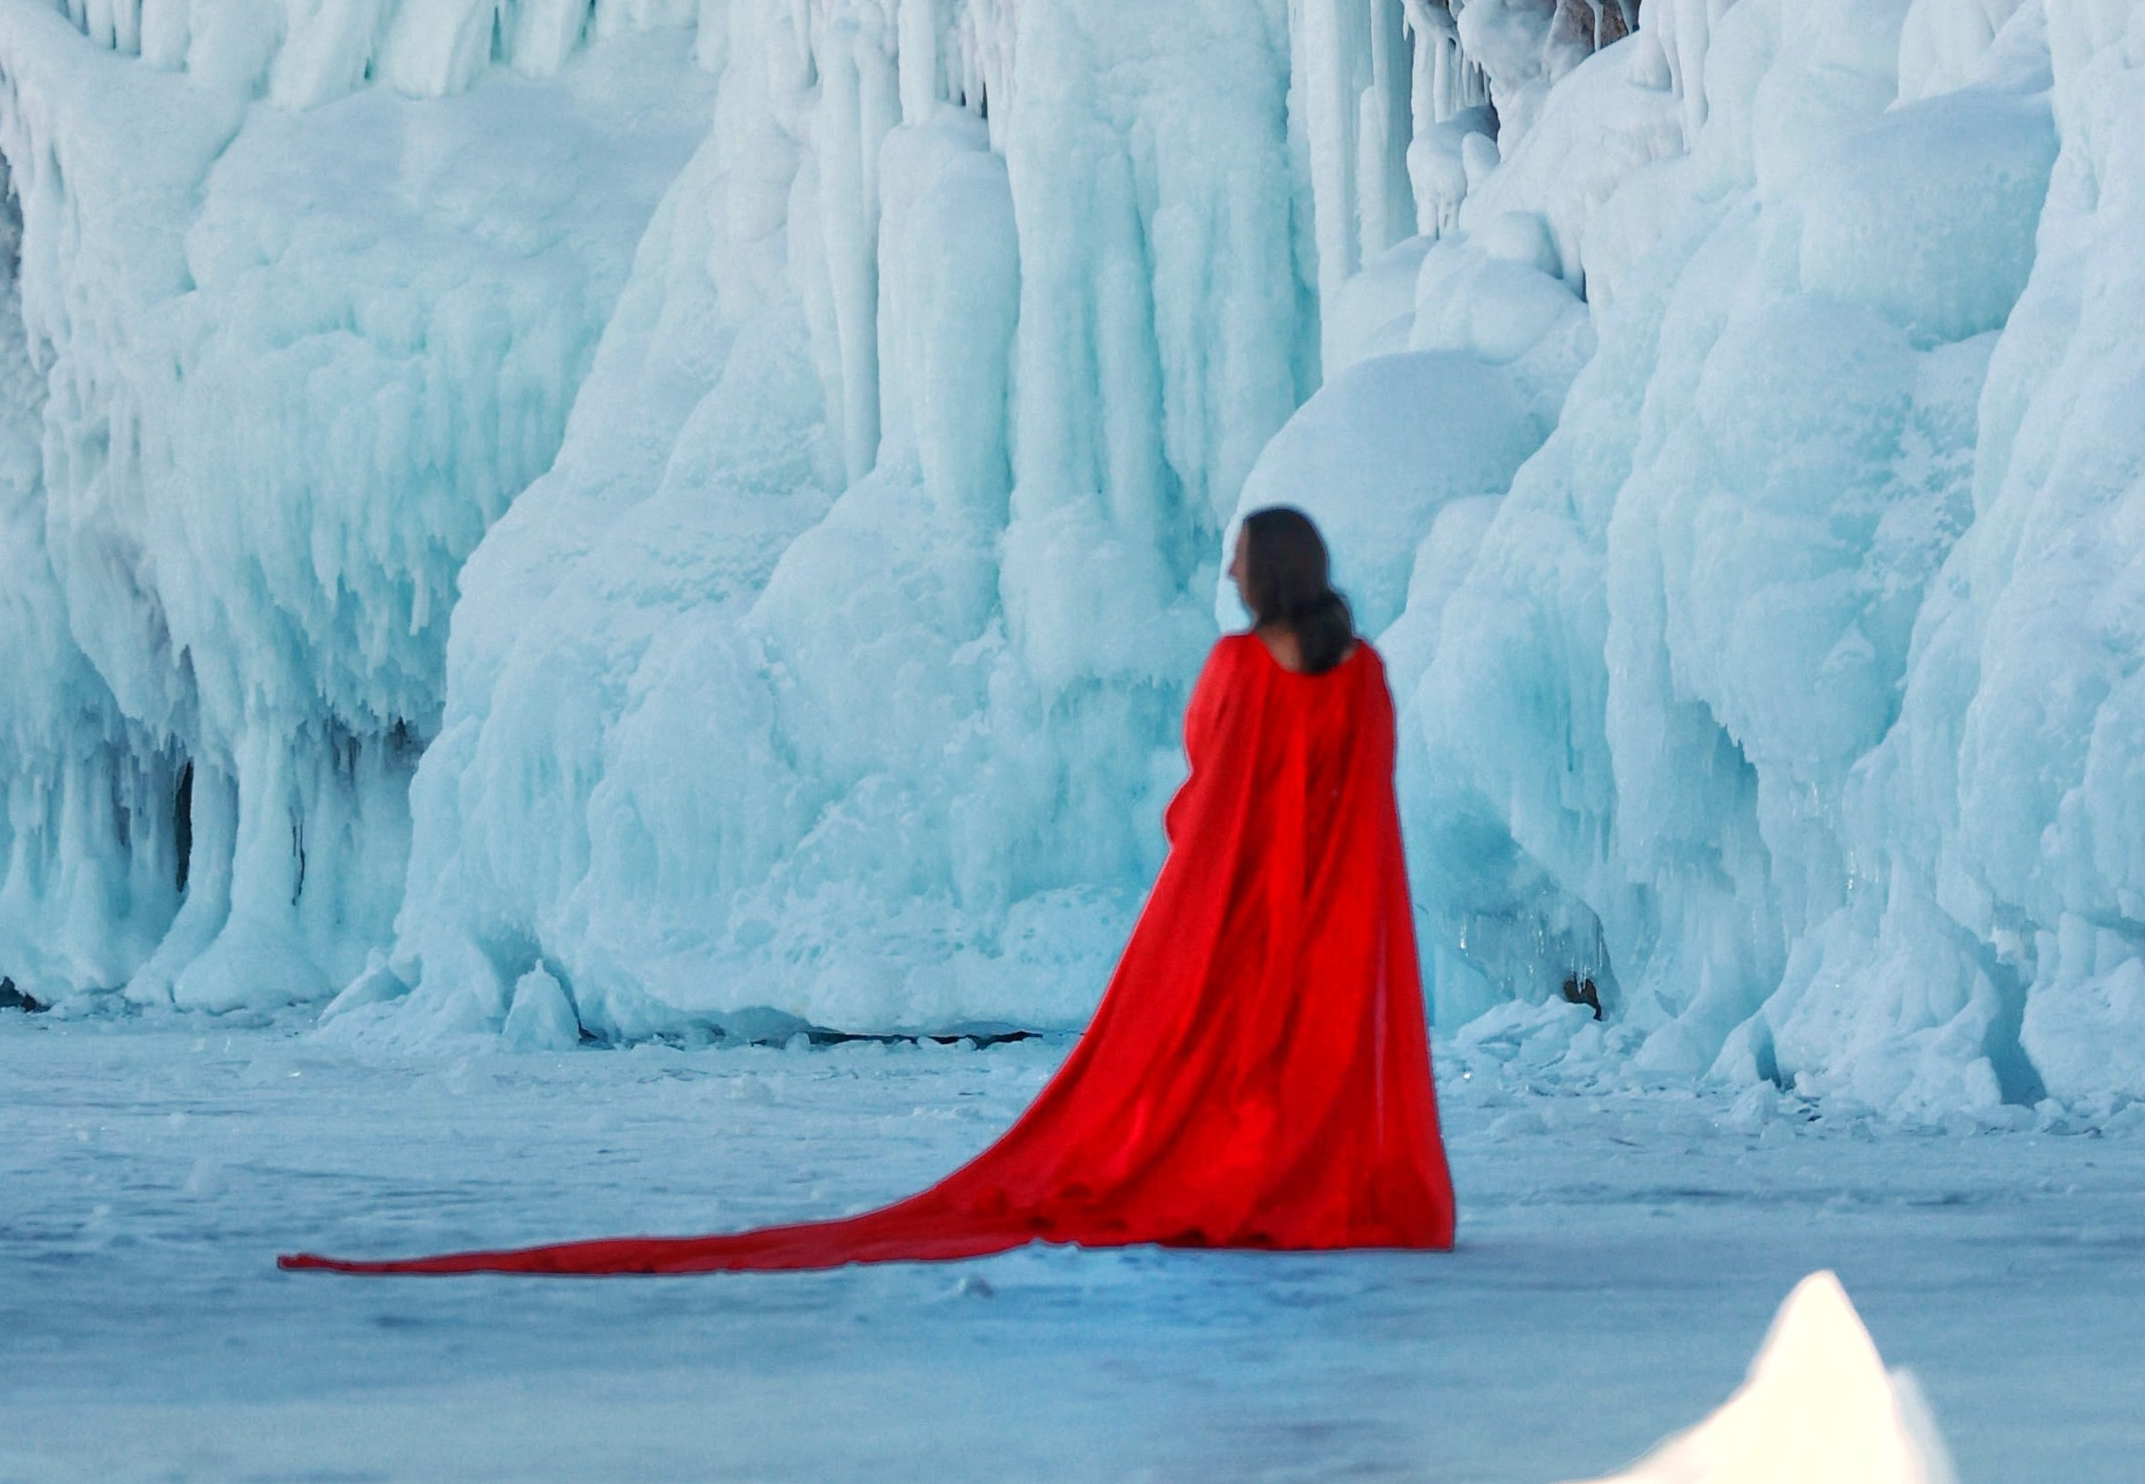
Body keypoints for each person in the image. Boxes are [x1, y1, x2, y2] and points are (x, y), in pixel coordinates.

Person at [280, 503, 1456, 1276]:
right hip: (1334, 912)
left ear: (1264, 573)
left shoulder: (1240, 667)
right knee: (1308, 1054)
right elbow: (1362, 804)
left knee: (1198, 1061)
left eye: (1238, 559)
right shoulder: (1364, 675)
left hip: (1231, 908)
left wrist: (1210, 852)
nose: (1227, 571)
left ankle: (1244, 1180)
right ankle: (1320, 1179)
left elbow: (1208, 786)